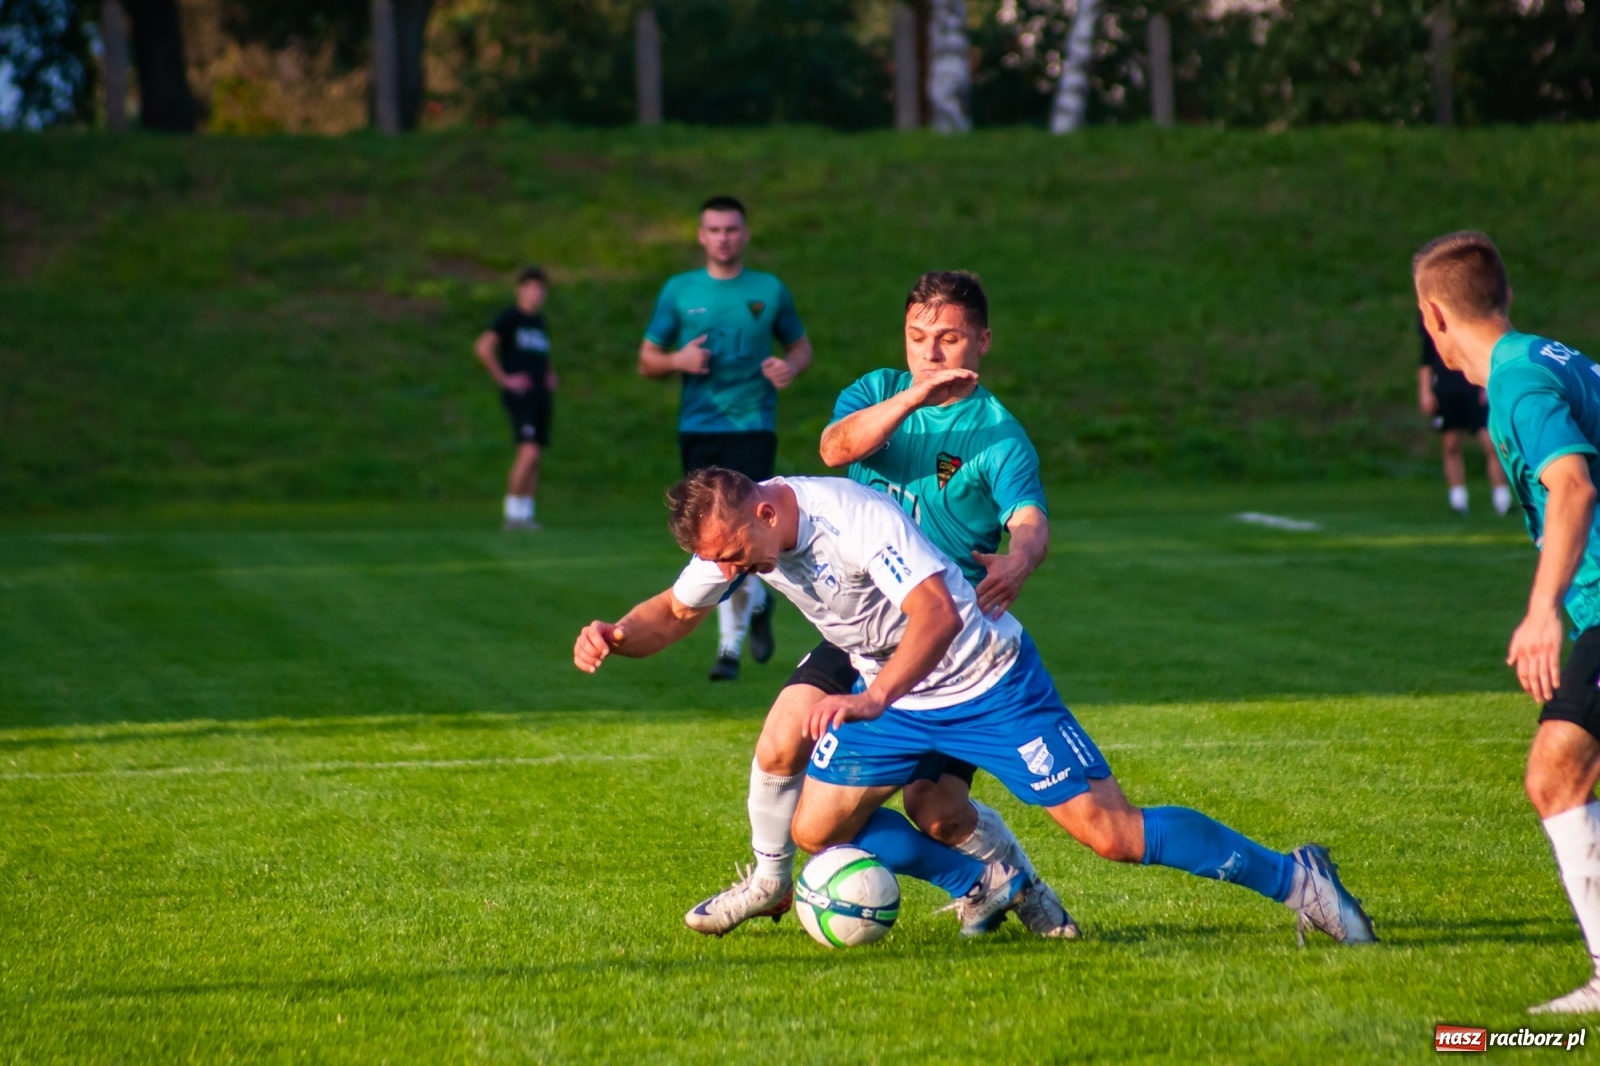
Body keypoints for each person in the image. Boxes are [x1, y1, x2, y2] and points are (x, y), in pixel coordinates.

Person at [574, 468, 1378, 945]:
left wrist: (873, 696)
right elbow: (674, 615)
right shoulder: (740, 539)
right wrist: (614, 633)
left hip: (984, 681)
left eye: (733, 555)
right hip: (891, 697)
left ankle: (1295, 877)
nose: (729, 572)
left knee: (1114, 837)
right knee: (815, 831)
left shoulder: (854, 519)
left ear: (765, 512)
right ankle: (985, 875)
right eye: (717, 562)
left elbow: (937, 613)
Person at [682, 271, 1073, 939]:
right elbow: (837, 448)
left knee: (938, 810)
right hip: (859, 623)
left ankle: (1016, 884)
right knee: (784, 742)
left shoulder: (999, 435)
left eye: (948, 339)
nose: (931, 352)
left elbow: (1029, 519)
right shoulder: (875, 393)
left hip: (941, 638)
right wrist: (915, 397)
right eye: (918, 338)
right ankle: (769, 881)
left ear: (982, 340)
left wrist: (1022, 555)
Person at [1415, 231, 1600, 1014]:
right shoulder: (1554, 357)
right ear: (1505, 297)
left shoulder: (1520, 385)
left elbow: (1573, 487)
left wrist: (1540, 612)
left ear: (1433, 316)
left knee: (1555, 772)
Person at [639, 195, 812, 681]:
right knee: (708, 536)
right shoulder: (679, 291)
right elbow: (647, 359)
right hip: (699, 427)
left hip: (752, 425)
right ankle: (755, 606)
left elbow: (800, 347)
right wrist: (677, 361)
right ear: (700, 235)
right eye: (714, 230)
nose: (723, 238)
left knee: (740, 527)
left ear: (745, 234)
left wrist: (789, 366)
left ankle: (728, 651)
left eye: (732, 229)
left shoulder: (769, 290)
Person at [475, 267, 557, 530]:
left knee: (536, 455)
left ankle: (525, 516)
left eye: (541, 288)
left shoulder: (539, 322)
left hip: (540, 395)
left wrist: (548, 375)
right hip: (520, 395)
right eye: (532, 287)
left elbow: (538, 356)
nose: (537, 293)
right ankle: (511, 514)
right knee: (528, 451)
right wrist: (504, 378)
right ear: (520, 290)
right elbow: (483, 347)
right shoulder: (510, 318)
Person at [1418, 311, 1513, 515]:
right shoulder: (1431, 310)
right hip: (1446, 385)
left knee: (1490, 441)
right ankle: (1458, 499)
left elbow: (1490, 343)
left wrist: (1489, 382)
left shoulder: (1471, 304)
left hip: (1475, 381)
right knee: (1451, 442)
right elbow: (1426, 355)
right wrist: (1425, 390)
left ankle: (1502, 498)